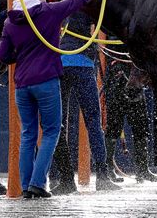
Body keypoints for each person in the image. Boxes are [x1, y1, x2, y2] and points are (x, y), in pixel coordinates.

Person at [0, 0, 115, 199]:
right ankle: (38, 184)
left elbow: (2, 55)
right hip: (46, 82)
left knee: (29, 134)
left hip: (22, 85)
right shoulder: (49, 12)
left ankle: (27, 185)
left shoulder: (11, 21)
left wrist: (20, 57)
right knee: (51, 132)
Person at [49, 13, 122, 195]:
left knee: (58, 124)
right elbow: (107, 27)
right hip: (83, 65)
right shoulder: (88, 4)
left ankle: (59, 177)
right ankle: (103, 177)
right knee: (94, 123)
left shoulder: (61, 4)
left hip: (59, 65)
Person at [103, 59, 157, 183]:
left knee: (141, 127)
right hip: (117, 74)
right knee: (113, 129)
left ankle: (143, 171)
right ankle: (108, 170)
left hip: (135, 74)